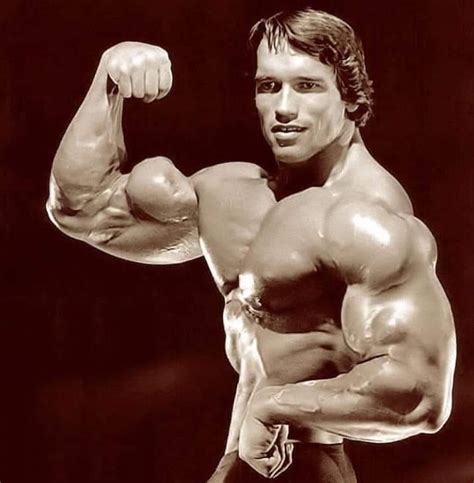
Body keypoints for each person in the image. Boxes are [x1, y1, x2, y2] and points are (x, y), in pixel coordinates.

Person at [46, 8, 456, 482]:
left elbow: (421, 395)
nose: (283, 107)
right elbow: (83, 210)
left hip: (305, 467)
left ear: (350, 96)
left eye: (307, 86)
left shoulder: (366, 218)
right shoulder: (237, 195)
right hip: (240, 464)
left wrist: (273, 406)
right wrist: (109, 79)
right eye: (269, 86)